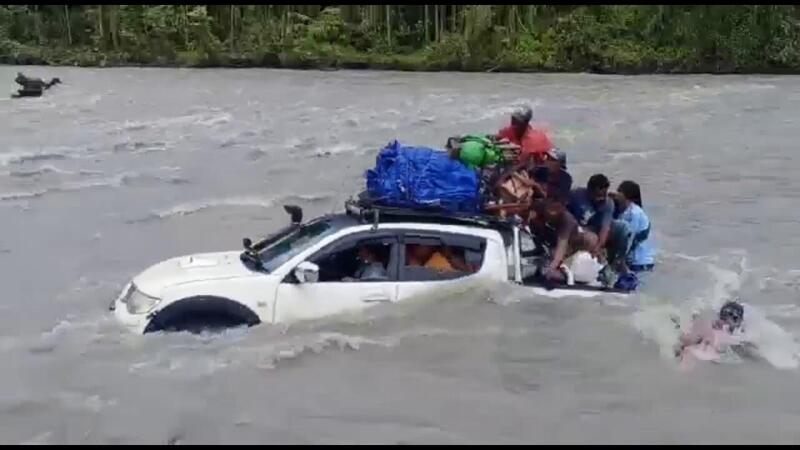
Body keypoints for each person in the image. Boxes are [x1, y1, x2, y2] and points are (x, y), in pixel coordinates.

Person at [567, 174, 630, 270]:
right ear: (589, 191)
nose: (602, 198)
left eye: (604, 195)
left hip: (597, 228)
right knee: (591, 237)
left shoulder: (608, 203)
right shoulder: (575, 195)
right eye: (598, 195)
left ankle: (618, 261)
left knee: (623, 227)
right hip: (576, 228)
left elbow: (605, 228)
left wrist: (598, 247)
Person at [529, 197, 597, 282]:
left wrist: (551, 268)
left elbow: (561, 248)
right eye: (551, 208)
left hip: (566, 248)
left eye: (556, 209)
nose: (552, 212)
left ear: (562, 208)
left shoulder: (567, 220)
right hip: (545, 239)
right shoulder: (540, 206)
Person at [674, 301, 747, 358]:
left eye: (734, 319)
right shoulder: (711, 330)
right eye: (724, 318)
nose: (727, 322)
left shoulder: (737, 335)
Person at [615, 180, 656, 272]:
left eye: (620, 191)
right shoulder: (623, 211)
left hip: (640, 262)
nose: (617, 193)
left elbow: (630, 236)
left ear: (627, 195)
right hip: (632, 260)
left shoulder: (635, 213)